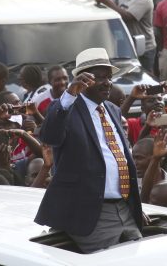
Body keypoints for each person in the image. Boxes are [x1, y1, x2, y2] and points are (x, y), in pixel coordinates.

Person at [36, 48, 142, 253]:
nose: (107, 82)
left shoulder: (112, 109)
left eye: (109, 77)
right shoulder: (66, 107)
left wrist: (133, 207)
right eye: (99, 77)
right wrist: (68, 96)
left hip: (124, 208)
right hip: (89, 212)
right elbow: (49, 136)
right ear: (83, 81)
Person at [89, 0, 155, 72]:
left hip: (143, 47)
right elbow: (112, 7)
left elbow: (126, 17)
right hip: (127, 44)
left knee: (144, 78)